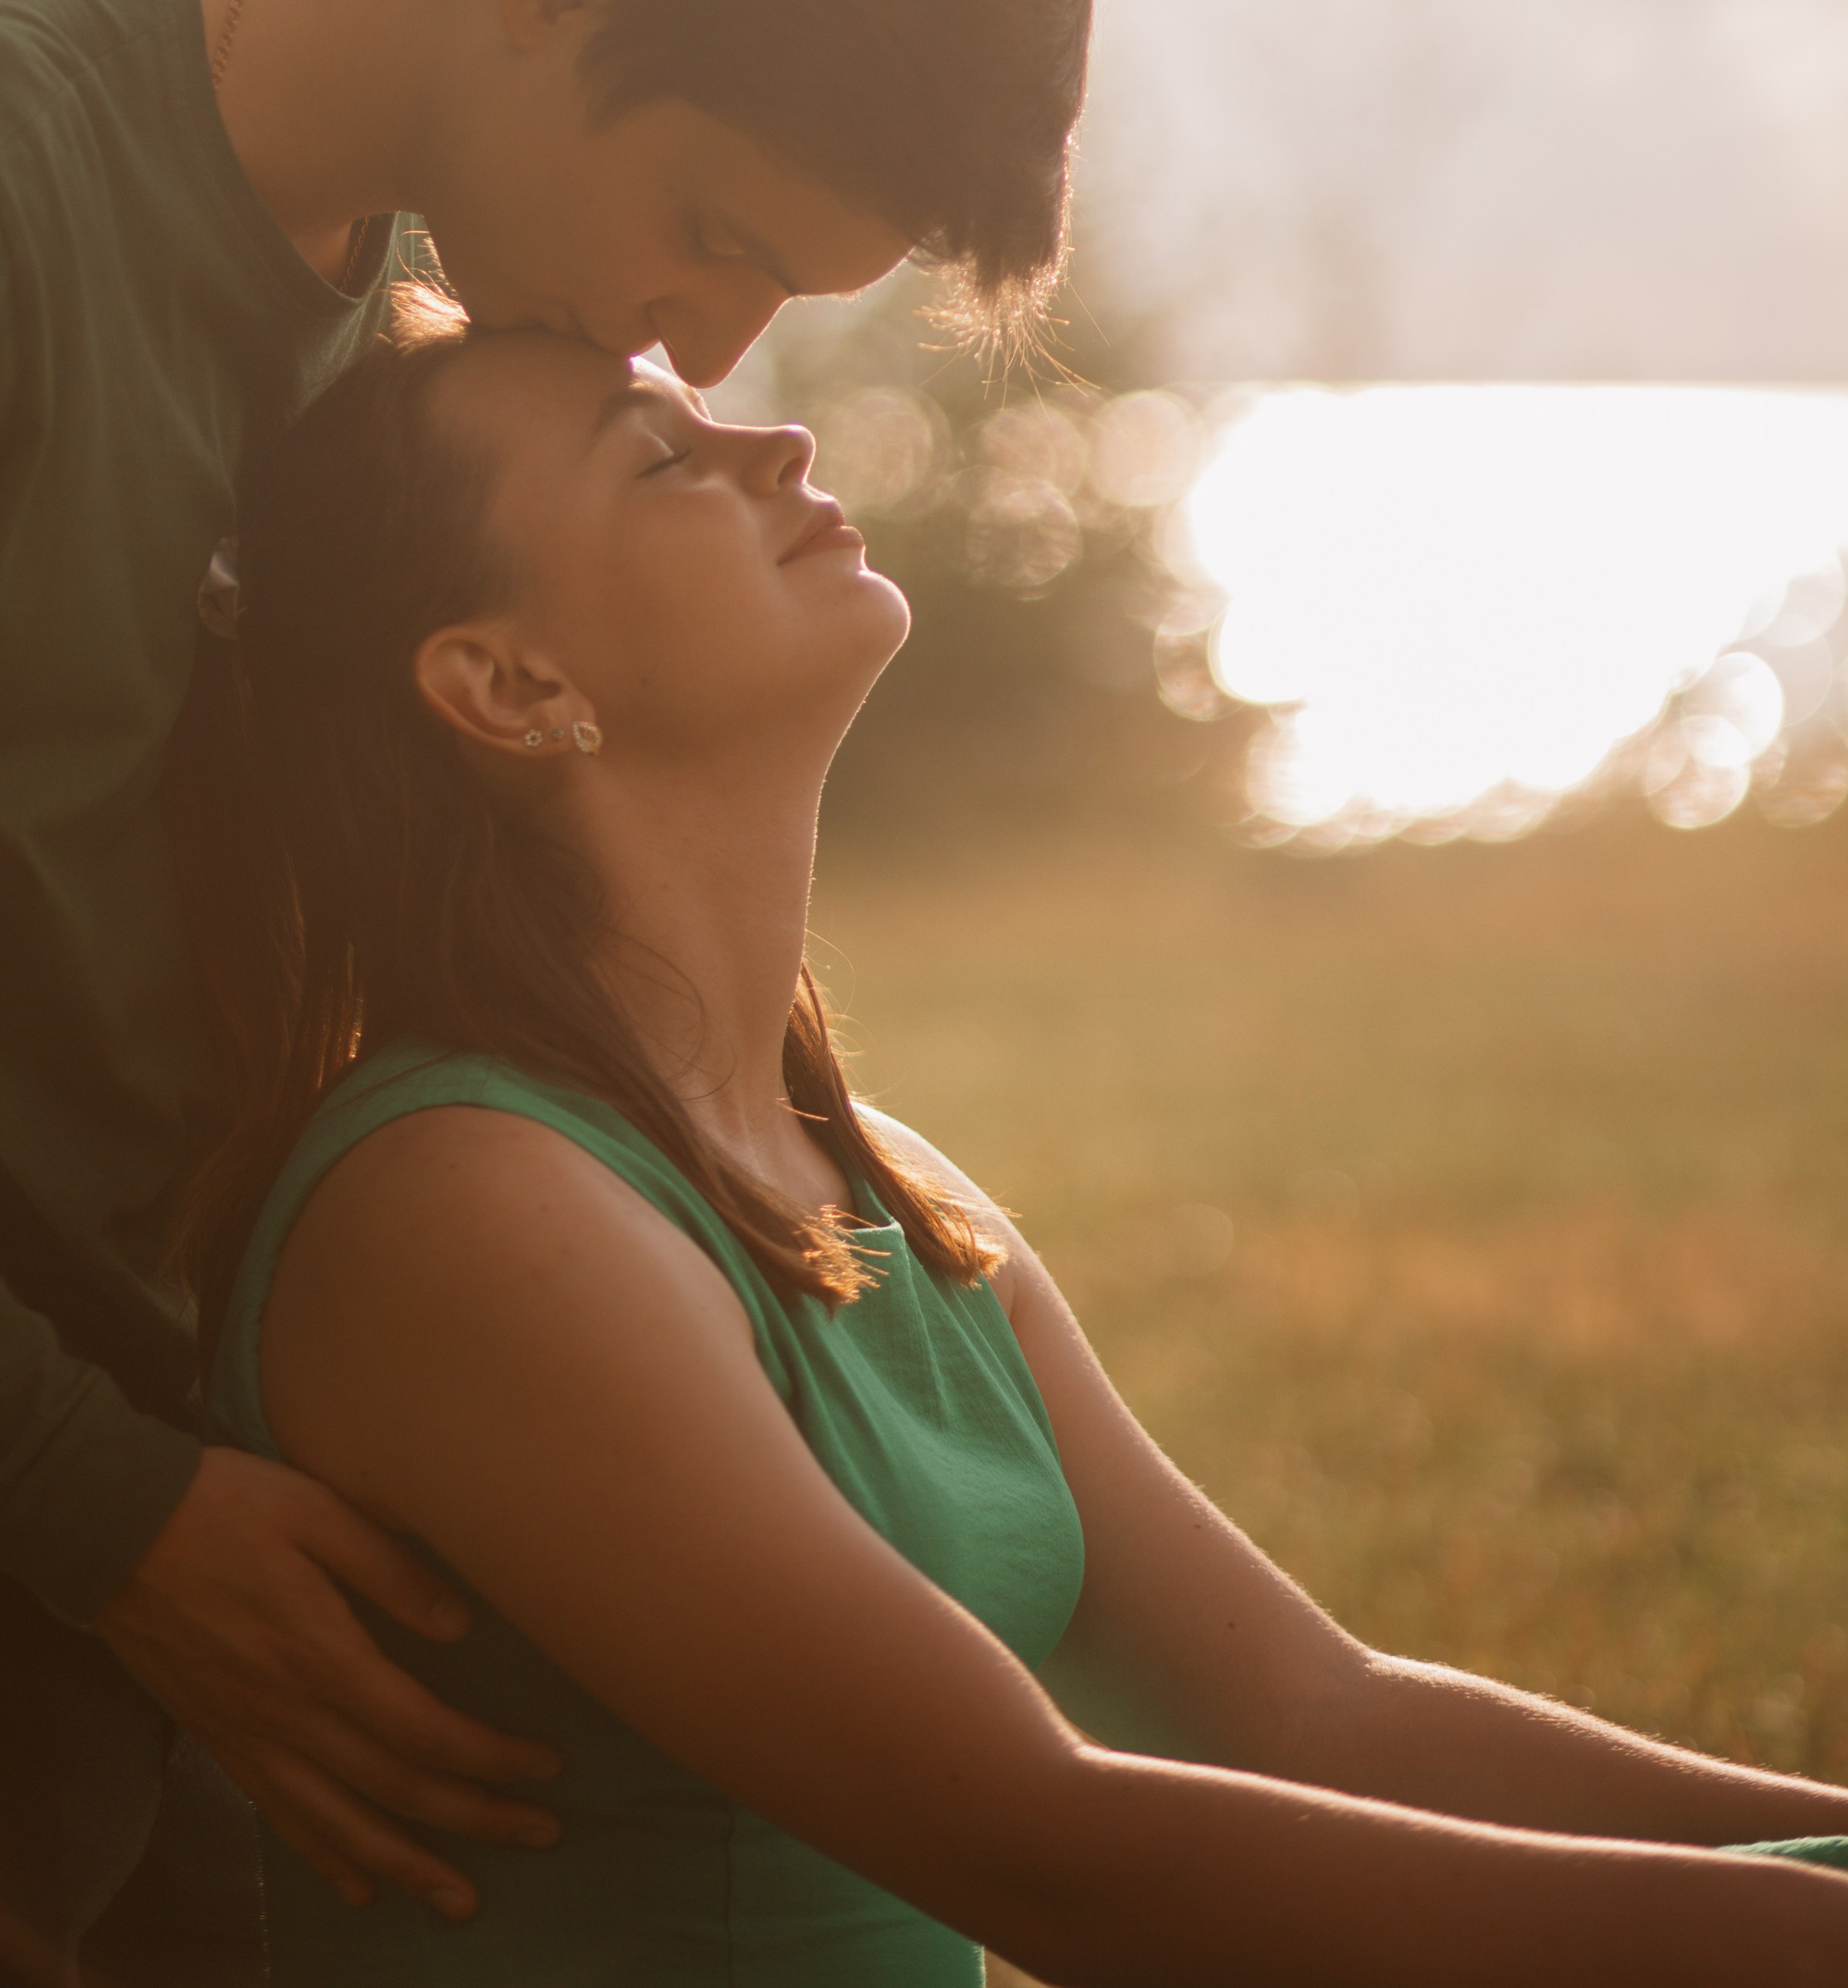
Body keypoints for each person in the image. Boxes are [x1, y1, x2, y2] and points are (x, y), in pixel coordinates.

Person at [0, 0, 1093, 1982]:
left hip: (151, 1580)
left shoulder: (385, 317)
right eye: (718, 230)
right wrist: (96, 1505)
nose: (701, 346)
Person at [188, 298, 1848, 1986]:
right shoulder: (465, 1205)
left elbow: (1298, 1708)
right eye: (661, 456)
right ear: (509, 680)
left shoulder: (873, 1180)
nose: (779, 442)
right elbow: (1041, 1851)